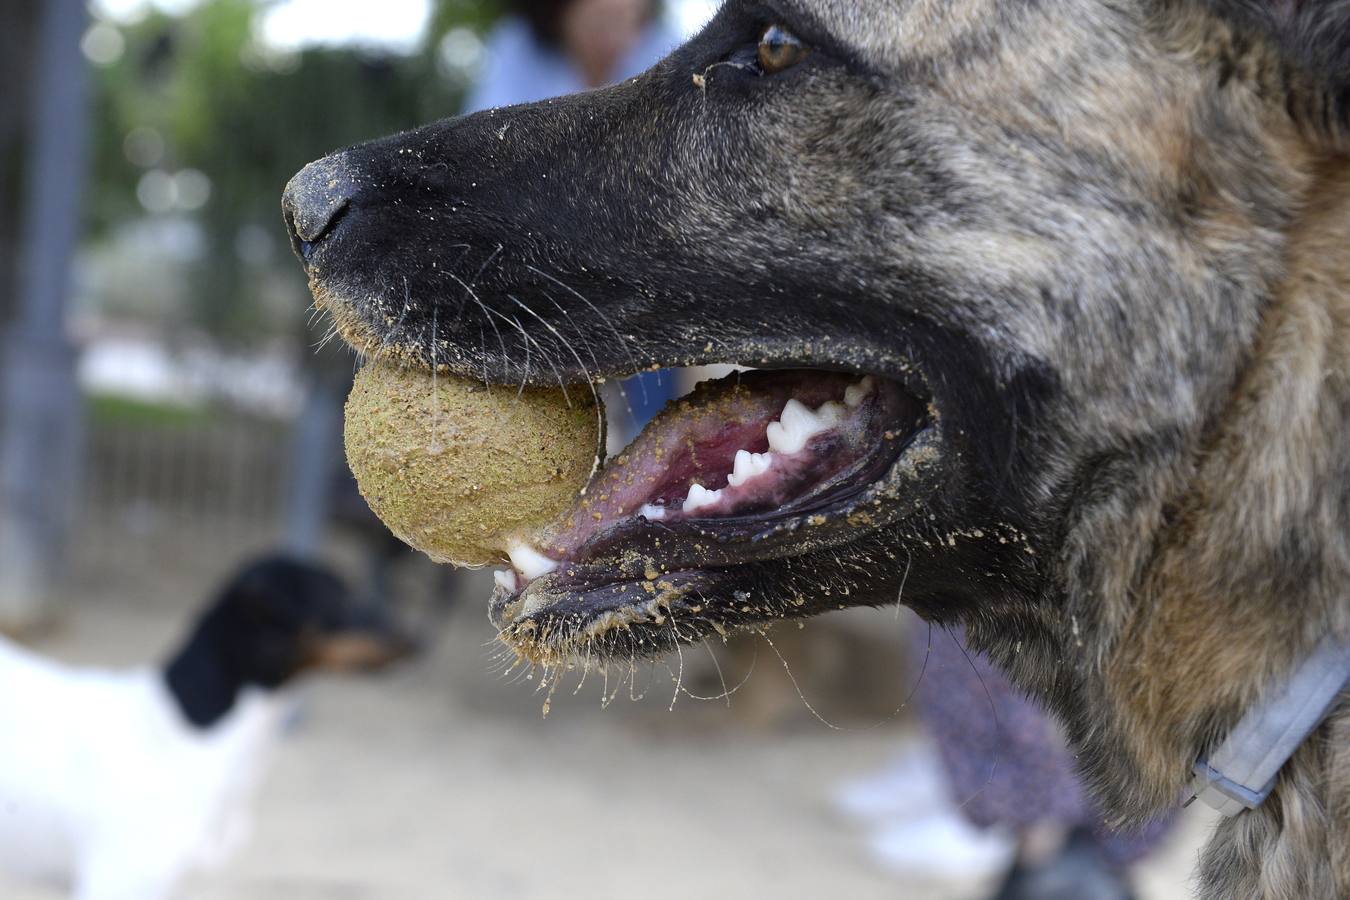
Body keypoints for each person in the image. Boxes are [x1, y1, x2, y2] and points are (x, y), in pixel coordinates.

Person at [463, 0, 682, 438]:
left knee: (653, 411)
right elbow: (485, 166)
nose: (617, 21)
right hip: (536, 264)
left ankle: (651, 439)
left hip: (639, 267)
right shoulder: (518, 53)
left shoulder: (670, 55)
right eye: (599, 15)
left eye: (628, 11)